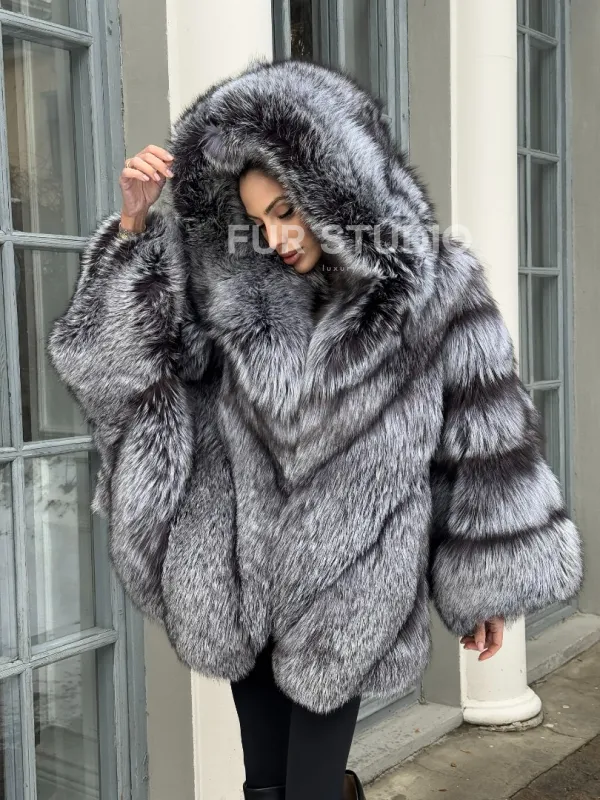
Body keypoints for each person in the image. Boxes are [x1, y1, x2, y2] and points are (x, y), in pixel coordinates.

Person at [48, 59, 584, 800]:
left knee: (307, 788)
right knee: (266, 785)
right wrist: (134, 225)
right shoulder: (224, 284)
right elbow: (115, 371)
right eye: (259, 219)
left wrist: (486, 581)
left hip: (350, 588)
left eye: (286, 210)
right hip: (242, 578)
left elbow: (485, 440)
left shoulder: (437, 285)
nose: (274, 236)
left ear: (335, 184)